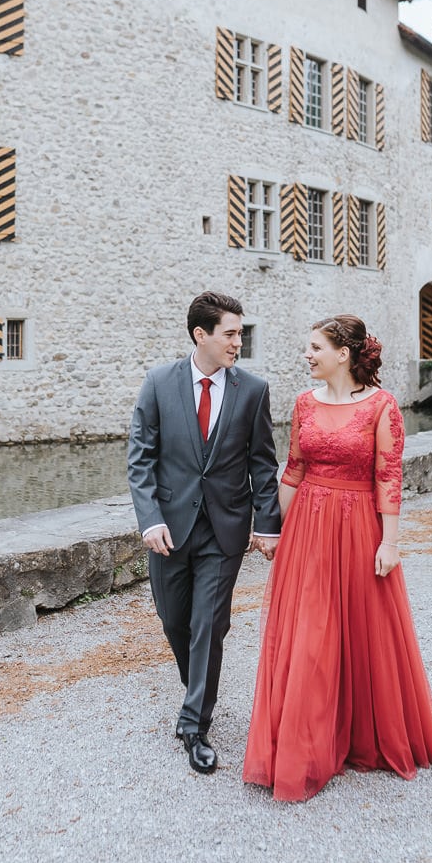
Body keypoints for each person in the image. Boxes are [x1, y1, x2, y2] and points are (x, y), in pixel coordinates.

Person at [243, 314, 432, 802]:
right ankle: (305, 743)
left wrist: (391, 542)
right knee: (309, 634)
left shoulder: (382, 406)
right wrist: (271, 529)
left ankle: (360, 734)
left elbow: (389, 477)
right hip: (307, 532)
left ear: (344, 353)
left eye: (316, 347)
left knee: (358, 630)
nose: (308, 355)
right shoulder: (302, 404)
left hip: (359, 527)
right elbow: (294, 470)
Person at [128, 291, 281, 775]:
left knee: (208, 626)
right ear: (202, 335)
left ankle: (195, 724)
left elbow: (263, 464)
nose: (239, 341)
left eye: (240, 333)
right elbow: (141, 460)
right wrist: (150, 518)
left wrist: (268, 525)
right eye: (230, 333)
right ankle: (196, 684)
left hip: (224, 530)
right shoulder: (158, 383)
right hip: (169, 529)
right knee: (176, 622)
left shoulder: (252, 391)